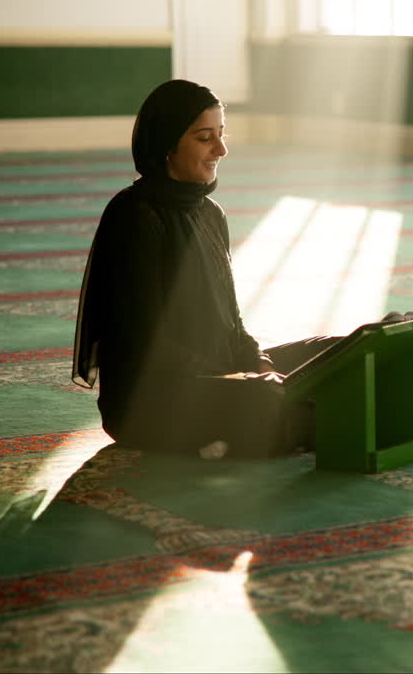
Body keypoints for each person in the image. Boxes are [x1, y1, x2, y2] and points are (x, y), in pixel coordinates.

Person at [71, 80, 340, 458]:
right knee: (265, 397)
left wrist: (257, 360)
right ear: (166, 143)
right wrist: (241, 378)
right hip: (153, 402)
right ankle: (264, 425)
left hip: (223, 377)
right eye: (204, 138)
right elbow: (148, 342)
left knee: (333, 354)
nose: (222, 150)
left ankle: (248, 431)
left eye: (221, 135)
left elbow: (232, 320)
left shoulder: (210, 214)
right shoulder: (133, 217)